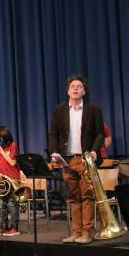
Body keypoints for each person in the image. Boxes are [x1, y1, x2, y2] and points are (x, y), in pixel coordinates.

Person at [49, 75, 104, 245]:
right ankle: (76, 232)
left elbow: (100, 133)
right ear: (68, 91)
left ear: (84, 91)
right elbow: (53, 134)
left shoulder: (93, 109)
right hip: (67, 160)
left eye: (79, 86)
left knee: (87, 197)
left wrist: (94, 151)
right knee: (73, 197)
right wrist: (54, 153)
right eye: (72, 86)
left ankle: (87, 232)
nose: (75, 88)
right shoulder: (59, 110)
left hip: (85, 159)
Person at [0, 126, 21, 236]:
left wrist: (1, 151)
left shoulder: (13, 146)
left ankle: (14, 227)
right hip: (2, 180)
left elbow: (12, 162)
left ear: (4, 138)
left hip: (13, 179)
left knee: (12, 203)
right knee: (2, 203)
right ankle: (3, 226)